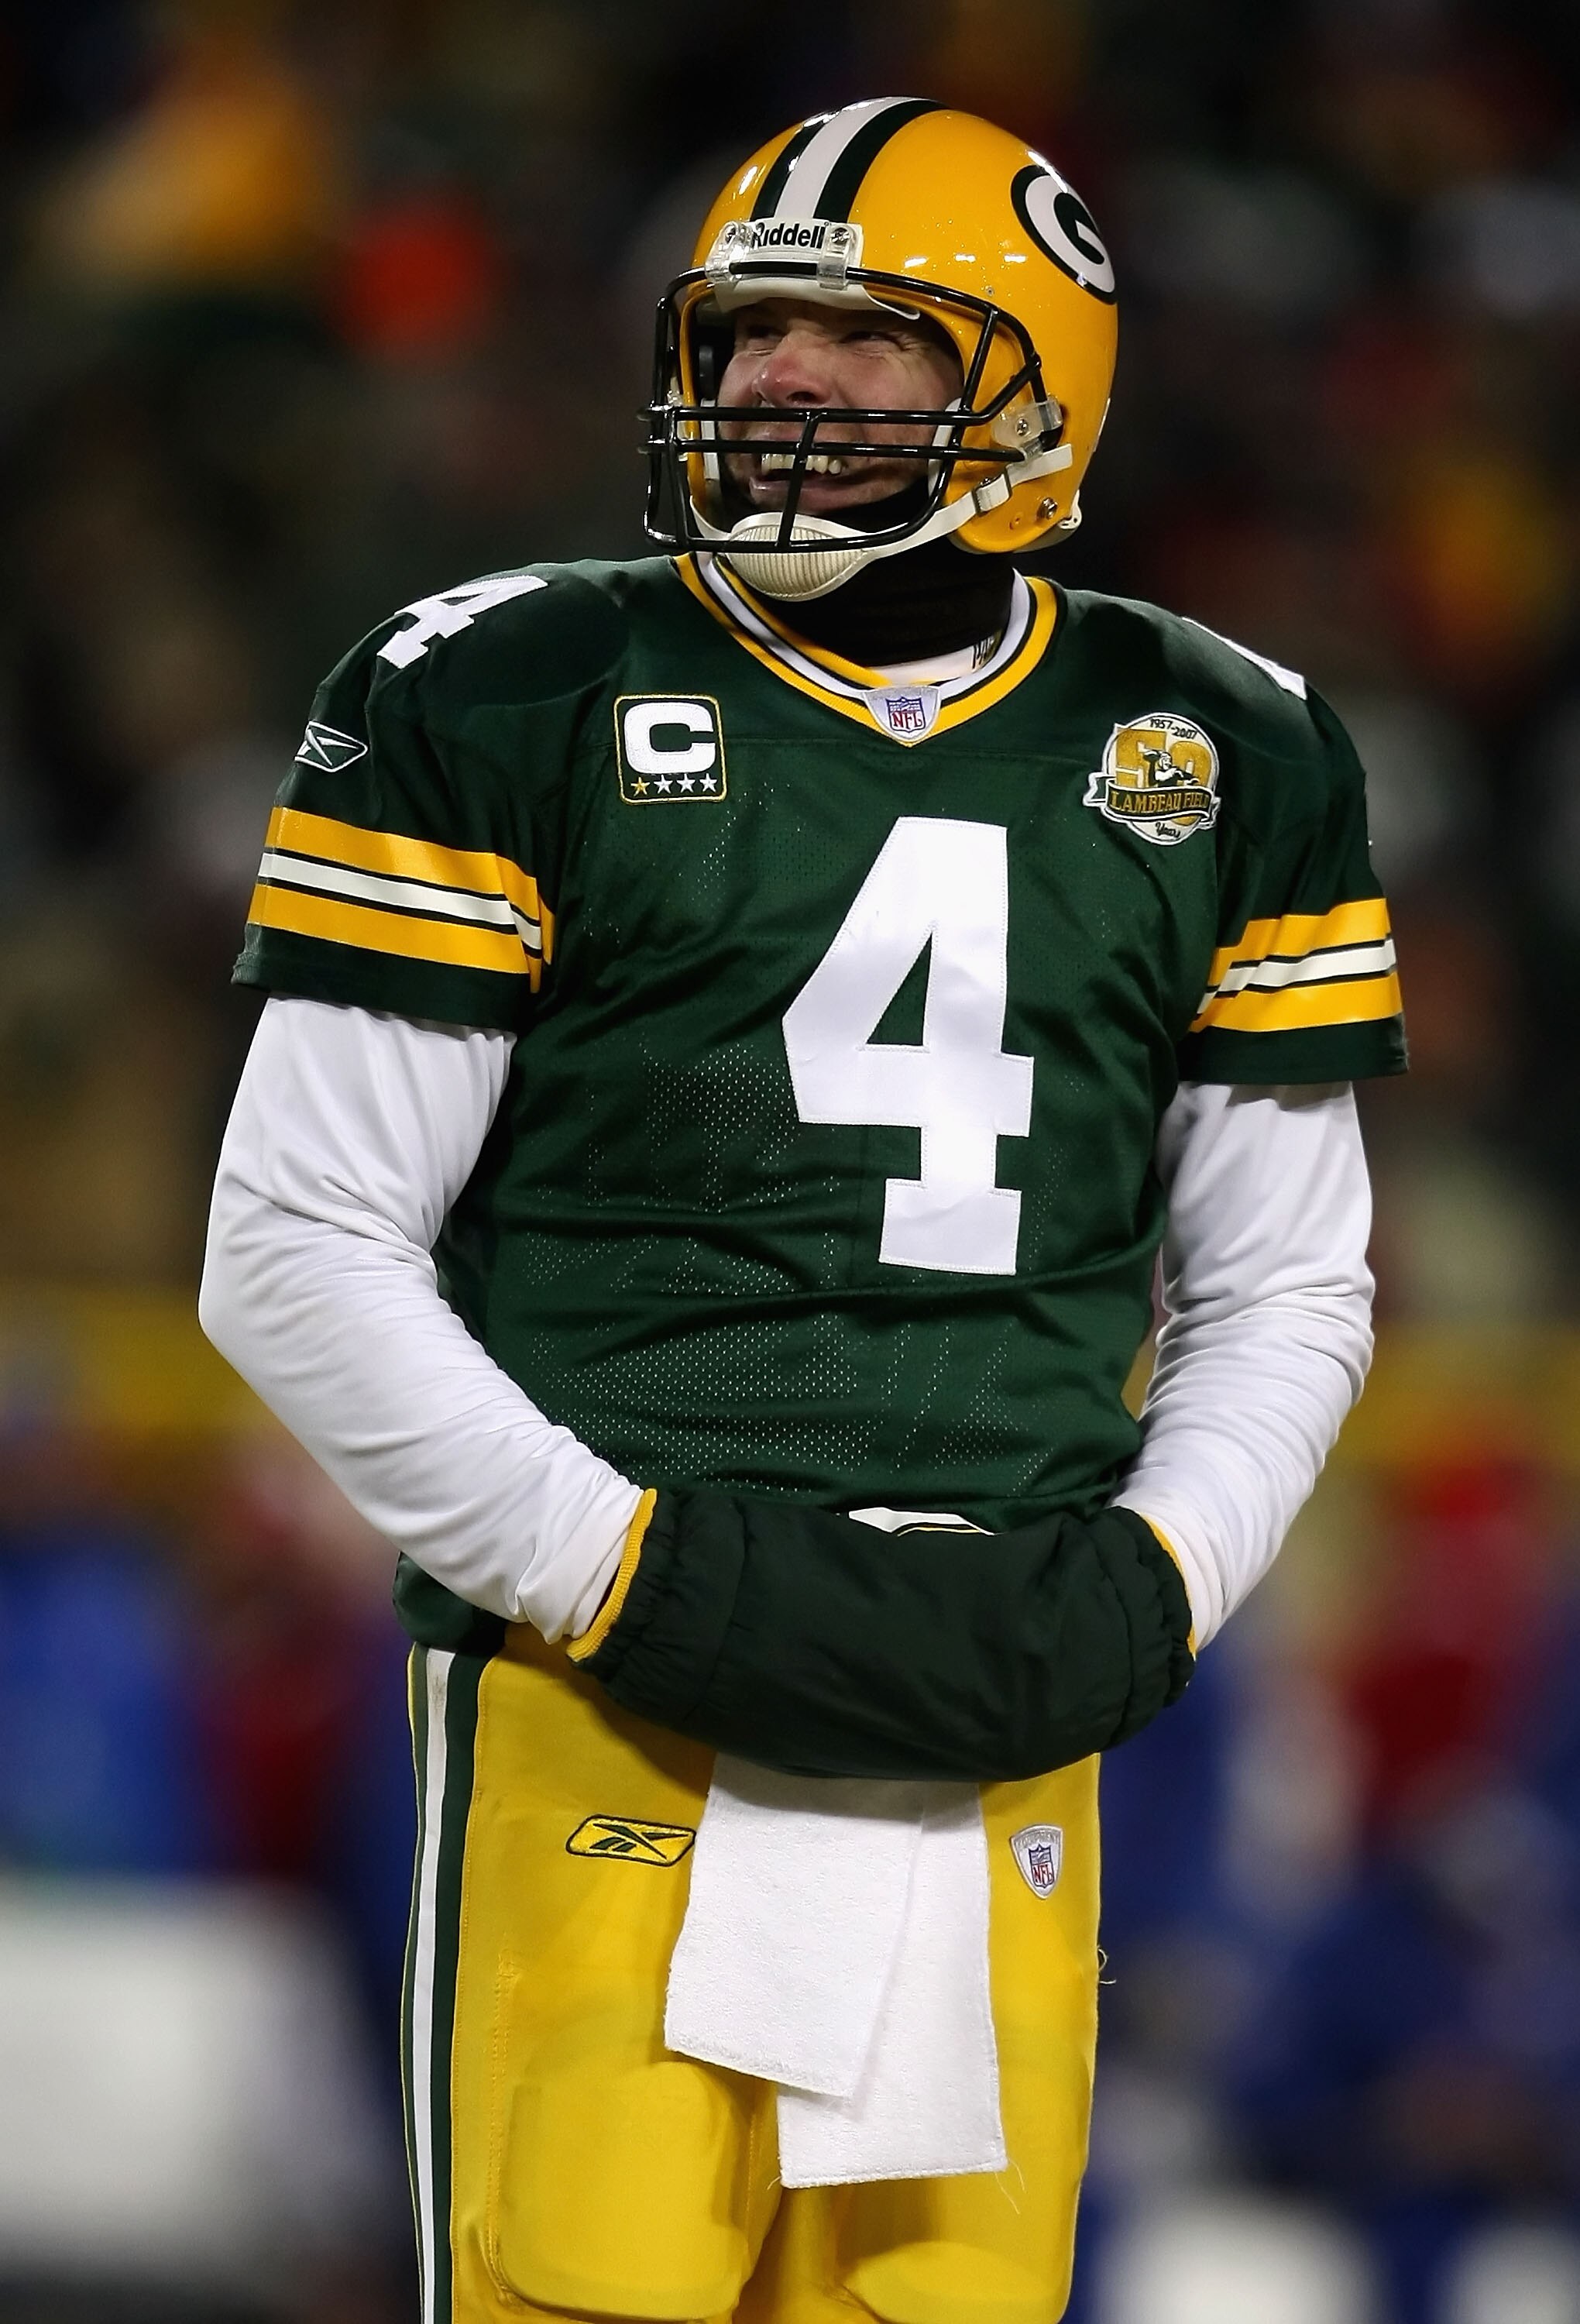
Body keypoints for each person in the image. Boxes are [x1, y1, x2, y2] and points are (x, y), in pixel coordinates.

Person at [200, 98, 1403, 2324]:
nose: (780, 387)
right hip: (609, 1683)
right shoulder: (502, 685)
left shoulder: (1225, 744)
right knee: (588, 2295)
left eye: (863, 341)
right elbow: (291, 1246)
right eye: (751, 336)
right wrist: (623, 1567)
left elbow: (1290, 1278)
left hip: (1003, 1685)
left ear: (1032, 379)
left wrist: (1153, 1586)